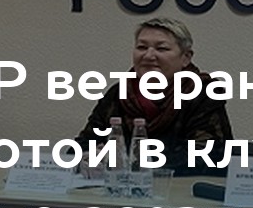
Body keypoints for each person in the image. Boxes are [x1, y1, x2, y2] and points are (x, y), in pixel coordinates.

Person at [73, 17, 233, 173]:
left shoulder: (203, 92)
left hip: (181, 188)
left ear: (185, 57)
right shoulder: (119, 92)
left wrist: (127, 159)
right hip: (120, 189)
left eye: (161, 49)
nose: (149, 56)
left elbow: (210, 155)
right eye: (142, 47)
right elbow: (80, 147)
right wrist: (87, 157)